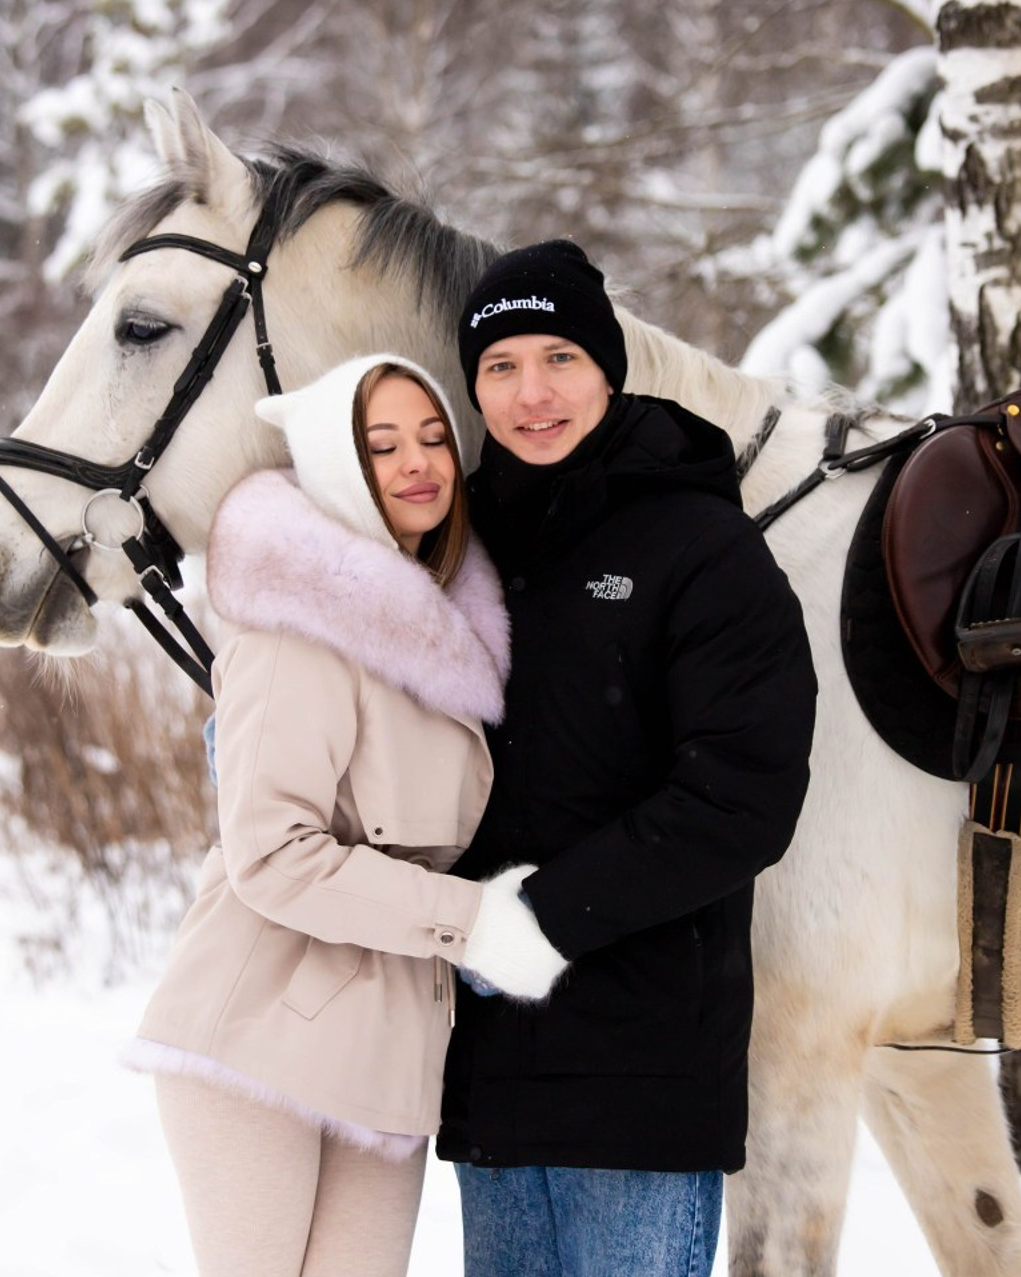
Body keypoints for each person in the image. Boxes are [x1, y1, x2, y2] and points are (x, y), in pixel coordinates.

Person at [124, 354, 568, 1277]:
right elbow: (273, 853)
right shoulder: (303, 628)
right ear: (336, 468)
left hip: (388, 1056)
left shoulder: (444, 639)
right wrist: (469, 921)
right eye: (381, 445)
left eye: (434, 436)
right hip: (263, 1033)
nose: (418, 462)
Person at [436, 242, 819, 1276]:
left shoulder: (700, 547)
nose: (532, 392)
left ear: (608, 367)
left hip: (642, 1076)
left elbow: (742, 796)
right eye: (499, 366)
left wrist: (543, 915)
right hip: (487, 1079)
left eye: (558, 355)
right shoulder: (458, 549)